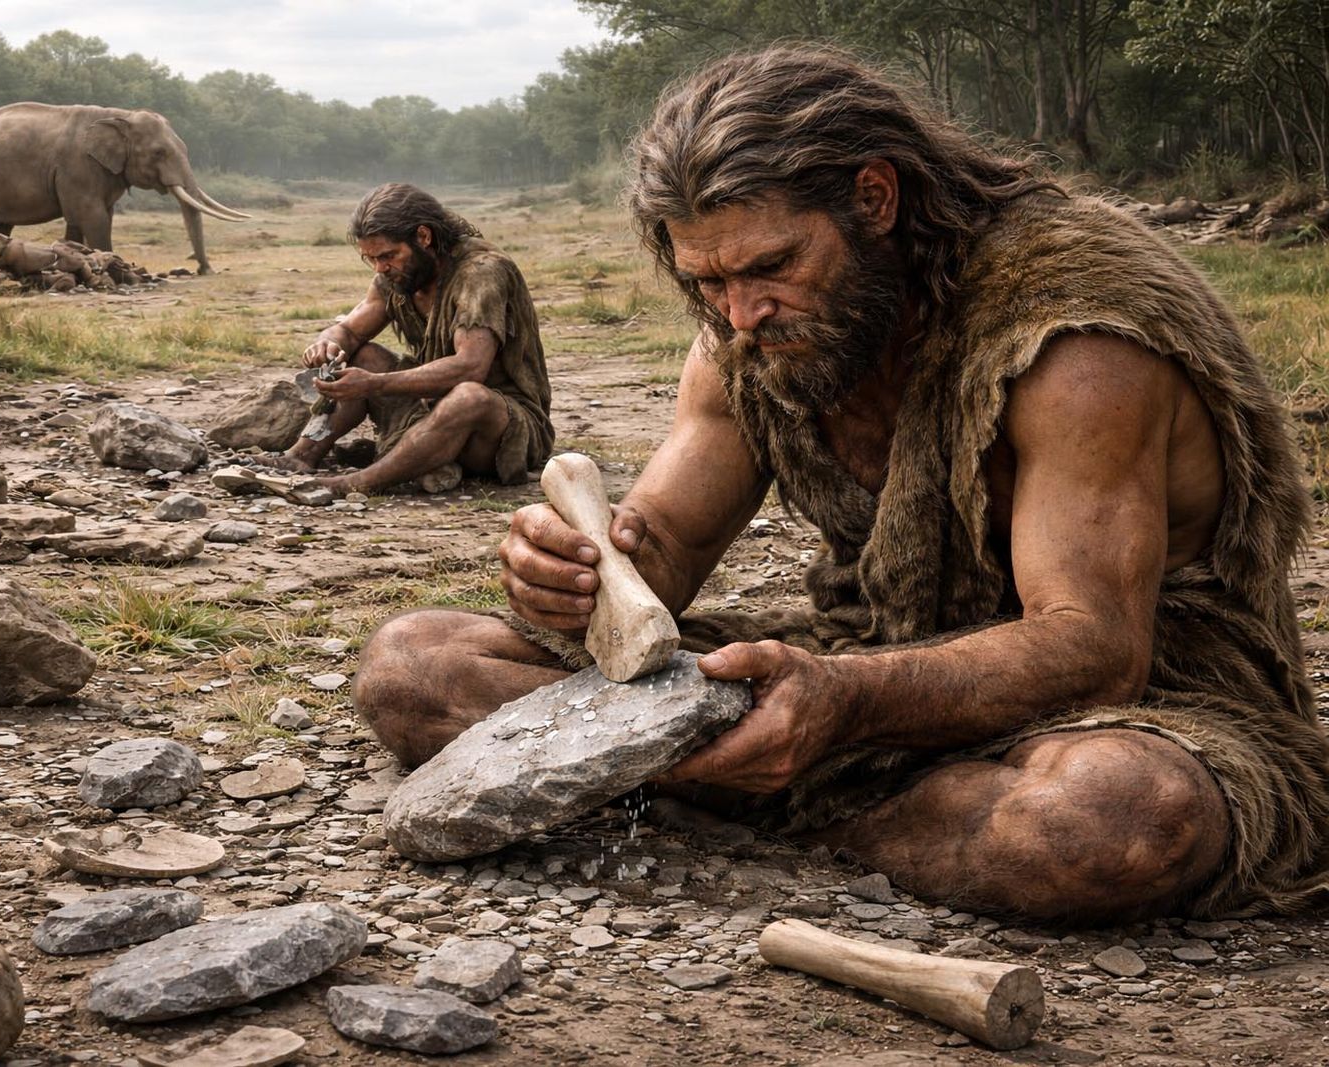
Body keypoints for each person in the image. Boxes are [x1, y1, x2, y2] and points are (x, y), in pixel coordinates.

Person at [352, 46, 1329, 924]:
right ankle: (812, 788)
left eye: (772, 265)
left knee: (1113, 815)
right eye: (708, 281)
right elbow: (667, 551)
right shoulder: (746, 331)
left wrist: (844, 703)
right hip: (867, 656)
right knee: (414, 665)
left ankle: (745, 794)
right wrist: (581, 577)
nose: (741, 313)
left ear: (874, 198)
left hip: (1141, 698)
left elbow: (1095, 647)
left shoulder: (1074, 339)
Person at [268, 183, 554, 496]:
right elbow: (349, 331)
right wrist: (326, 343)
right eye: (371, 259)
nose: (380, 268)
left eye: (388, 256)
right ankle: (300, 456)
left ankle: (357, 483)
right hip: (431, 409)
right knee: (363, 356)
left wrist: (374, 384)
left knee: (469, 397)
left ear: (423, 237)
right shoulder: (398, 276)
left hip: (502, 428)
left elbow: (470, 367)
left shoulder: (480, 272)